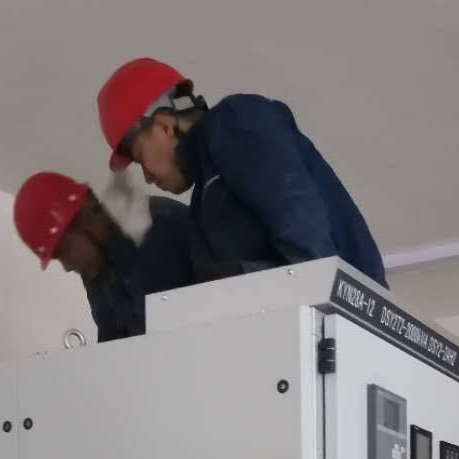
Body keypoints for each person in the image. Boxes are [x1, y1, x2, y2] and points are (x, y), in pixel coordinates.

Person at [95, 58, 386, 287]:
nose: (147, 176)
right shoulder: (205, 198)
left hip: (342, 318)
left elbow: (296, 216)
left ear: (164, 126)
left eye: (139, 157)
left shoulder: (234, 121)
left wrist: (325, 300)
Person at [13, 170, 195, 342]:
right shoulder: (96, 265)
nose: (67, 267)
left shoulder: (156, 227)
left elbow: (168, 337)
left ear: (87, 213)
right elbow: (112, 343)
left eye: (63, 251)